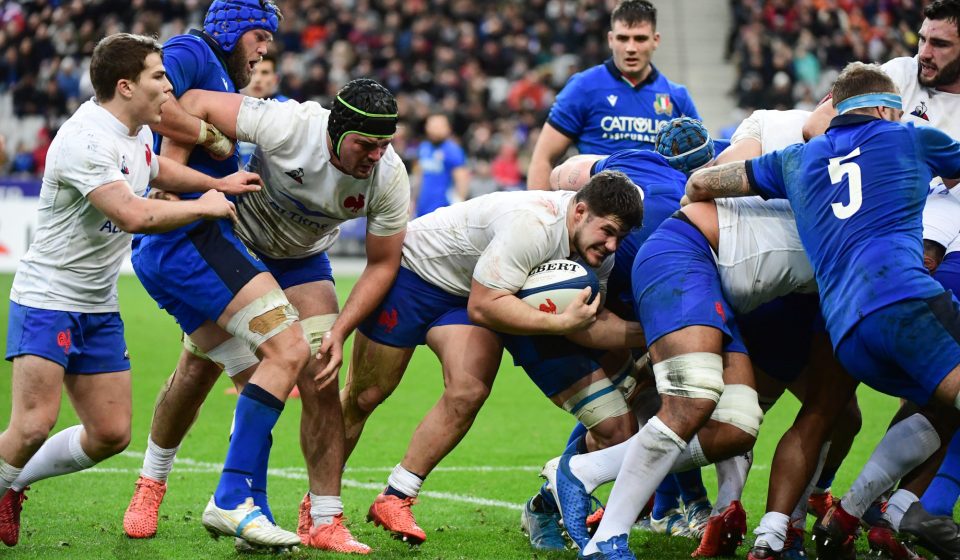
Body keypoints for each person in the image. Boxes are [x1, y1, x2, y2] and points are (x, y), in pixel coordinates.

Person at [685, 61, 960, 560]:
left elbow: (707, 183)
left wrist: (692, 188)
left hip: (845, 333)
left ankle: (830, 520)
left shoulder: (795, 160)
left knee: (916, 407)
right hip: (905, 301)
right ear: (883, 108)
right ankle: (888, 509)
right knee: (941, 406)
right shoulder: (910, 136)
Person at [125, 77, 408, 554]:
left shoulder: (389, 176)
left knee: (319, 369)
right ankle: (151, 483)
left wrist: (341, 330)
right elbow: (192, 103)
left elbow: (383, 263)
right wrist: (169, 177)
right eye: (365, 144)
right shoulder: (289, 124)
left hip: (301, 260)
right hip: (239, 244)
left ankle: (324, 518)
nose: (375, 155)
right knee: (198, 369)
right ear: (336, 132)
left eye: (384, 145)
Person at [0, 33, 259, 547]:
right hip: (48, 298)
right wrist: (205, 203)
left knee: (111, 434)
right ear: (125, 86)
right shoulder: (85, 139)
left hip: (97, 303)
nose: (169, 84)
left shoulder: (136, 129)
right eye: (158, 76)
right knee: (33, 425)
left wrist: (220, 184)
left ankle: (13, 484)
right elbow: (134, 213)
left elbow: (154, 167)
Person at [340, 172, 643, 546]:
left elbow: (585, 325)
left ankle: (396, 496)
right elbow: (486, 306)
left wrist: (660, 331)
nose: (612, 245)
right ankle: (320, 507)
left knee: (468, 390)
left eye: (620, 238)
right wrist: (558, 322)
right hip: (416, 273)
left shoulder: (597, 255)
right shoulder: (535, 225)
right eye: (608, 231)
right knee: (365, 396)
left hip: (472, 293)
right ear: (579, 211)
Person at [120, 0, 314, 550]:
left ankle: (227, 500)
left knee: (240, 371)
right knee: (284, 350)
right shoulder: (190, 51)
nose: (265, 52)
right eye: (259, 38)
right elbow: (155, 105)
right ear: (233, 30)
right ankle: (219, 497)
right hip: (190, 240)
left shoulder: (257, 101)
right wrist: (210, 140)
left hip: (214, 241)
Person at [518, 117, 717, 553]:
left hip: (595, 290)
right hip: (596, 306)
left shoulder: (631, 160)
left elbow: (560, 174)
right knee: (658, 404)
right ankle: (558, 501)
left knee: (642, 404)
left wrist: (552, 222)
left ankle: (675, 504)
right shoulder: (706, 197)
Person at [526, 0, 700, 189]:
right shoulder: (583, 87)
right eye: (623, 38)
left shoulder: (678, 96)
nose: (631, 48)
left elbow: (700, 162)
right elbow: (542, 158)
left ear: (655, 40)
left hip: (661, 210)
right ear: (610, 39)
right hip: (600, 208)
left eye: (640, 38)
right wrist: (540, 212)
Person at [802, 0, 960, 142]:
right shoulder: (899, 73)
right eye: (922, 39)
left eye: (940, 44)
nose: (924, 53)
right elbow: (817, 123)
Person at [413, 113, 469, 217]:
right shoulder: (423, 148)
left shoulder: (453, 150)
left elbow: (462, 181)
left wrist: (458, 209)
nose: (435, 130)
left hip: (443, 212)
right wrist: (412, 202)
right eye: (432, 126)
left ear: (448, 128)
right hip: (421, 210)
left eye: (439, 126)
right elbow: (418, 178)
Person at [237, 54, 288, 168]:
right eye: (253, 72)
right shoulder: (236, 108)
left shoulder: (287, 109)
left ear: (276, 79)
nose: (258, 79)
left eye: (265, 73)